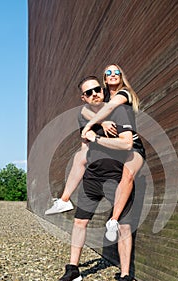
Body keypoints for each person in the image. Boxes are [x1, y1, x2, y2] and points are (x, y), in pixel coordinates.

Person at [45, 64, 145, 242]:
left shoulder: (125, 93)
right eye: (108, 73)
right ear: (105, 79)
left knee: (127, 176)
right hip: (111, 147)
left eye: (116, 72)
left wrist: (93, 125)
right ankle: (64, 199)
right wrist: (103, 123)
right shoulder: (102, 95)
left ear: (121, 76)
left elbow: (108, 109)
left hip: (132, 146)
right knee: (80, 156)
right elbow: (84, 110)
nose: (113, 75)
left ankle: (113, 221)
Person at [59, 76, 136, 281]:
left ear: (103, 91)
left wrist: (96, 137)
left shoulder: (121, 111)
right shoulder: (84, 115)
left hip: (117, 176)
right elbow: (84, 142)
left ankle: (124, 277)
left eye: (97, 89)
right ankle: (73, 269)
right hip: (93, 177)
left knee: (124, 227)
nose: (95, 94)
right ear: (84, 97)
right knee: (80, 221)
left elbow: (126, 143)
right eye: (89, 92)